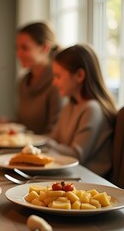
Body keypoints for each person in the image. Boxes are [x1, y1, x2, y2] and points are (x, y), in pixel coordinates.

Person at [48, 44, 116, 177]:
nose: (54, 82)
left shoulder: (92, 109)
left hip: (89, 182)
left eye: (58, 76)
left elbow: (76, 155)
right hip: (69, 175)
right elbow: (54, 138)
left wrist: (42, 143)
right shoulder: (69, 105)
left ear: (79, 75)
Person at [15, 22, 62, 134]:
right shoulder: (23, 82)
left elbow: (54, 133)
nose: (18, 54)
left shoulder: (57, 83)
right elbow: (23, 126)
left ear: (45, 48)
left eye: (24, 48)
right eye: (17, 48)